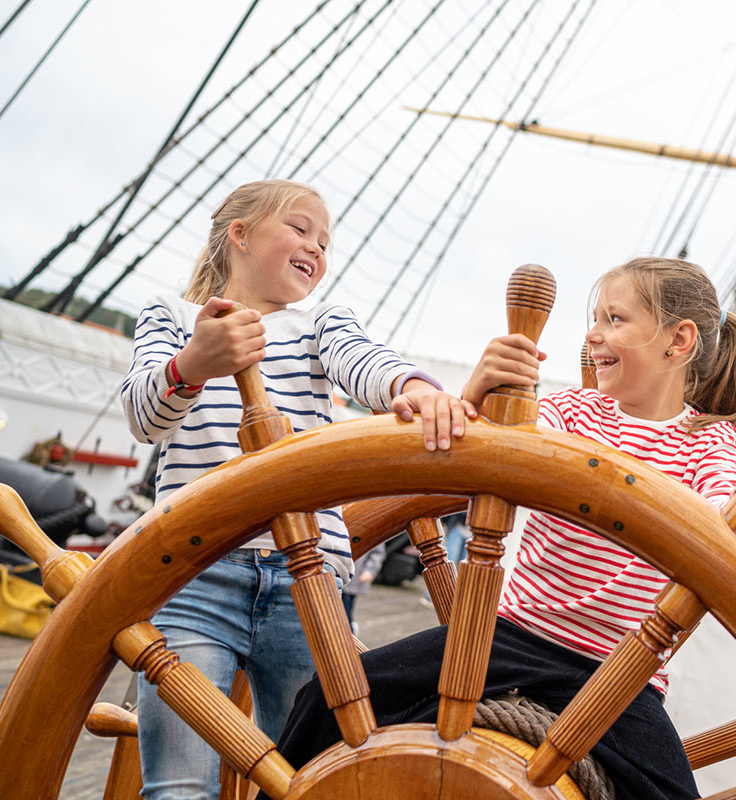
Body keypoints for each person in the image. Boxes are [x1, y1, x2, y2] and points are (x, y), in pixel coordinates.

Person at [270, 257, 736, 800]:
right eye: (596, 319)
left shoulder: (710, 443)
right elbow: (491, 447)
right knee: (327, 698)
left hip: (616, 678)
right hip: (504, 639)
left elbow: (716, 525)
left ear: (677, 341)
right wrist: (479, 392)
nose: (594, 334)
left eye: (615, 319)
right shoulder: (576, 413)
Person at [120, 179, 472, 800]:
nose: (316, 247)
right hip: (195, 573)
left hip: (306, 580)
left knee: (313, 783)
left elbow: (362, 360)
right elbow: (145, 417)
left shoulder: (318, 325)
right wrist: (193, 363)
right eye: (301, 228)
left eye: (325, 241)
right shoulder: (174, 319)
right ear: (241, 233)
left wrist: (412, 388)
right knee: (178, 785)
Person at [343, 546, 388, 635]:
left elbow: (378, 553)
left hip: (353, 579)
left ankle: (349, 633)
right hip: (335, 576)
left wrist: (369, 570)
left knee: (345, 612)